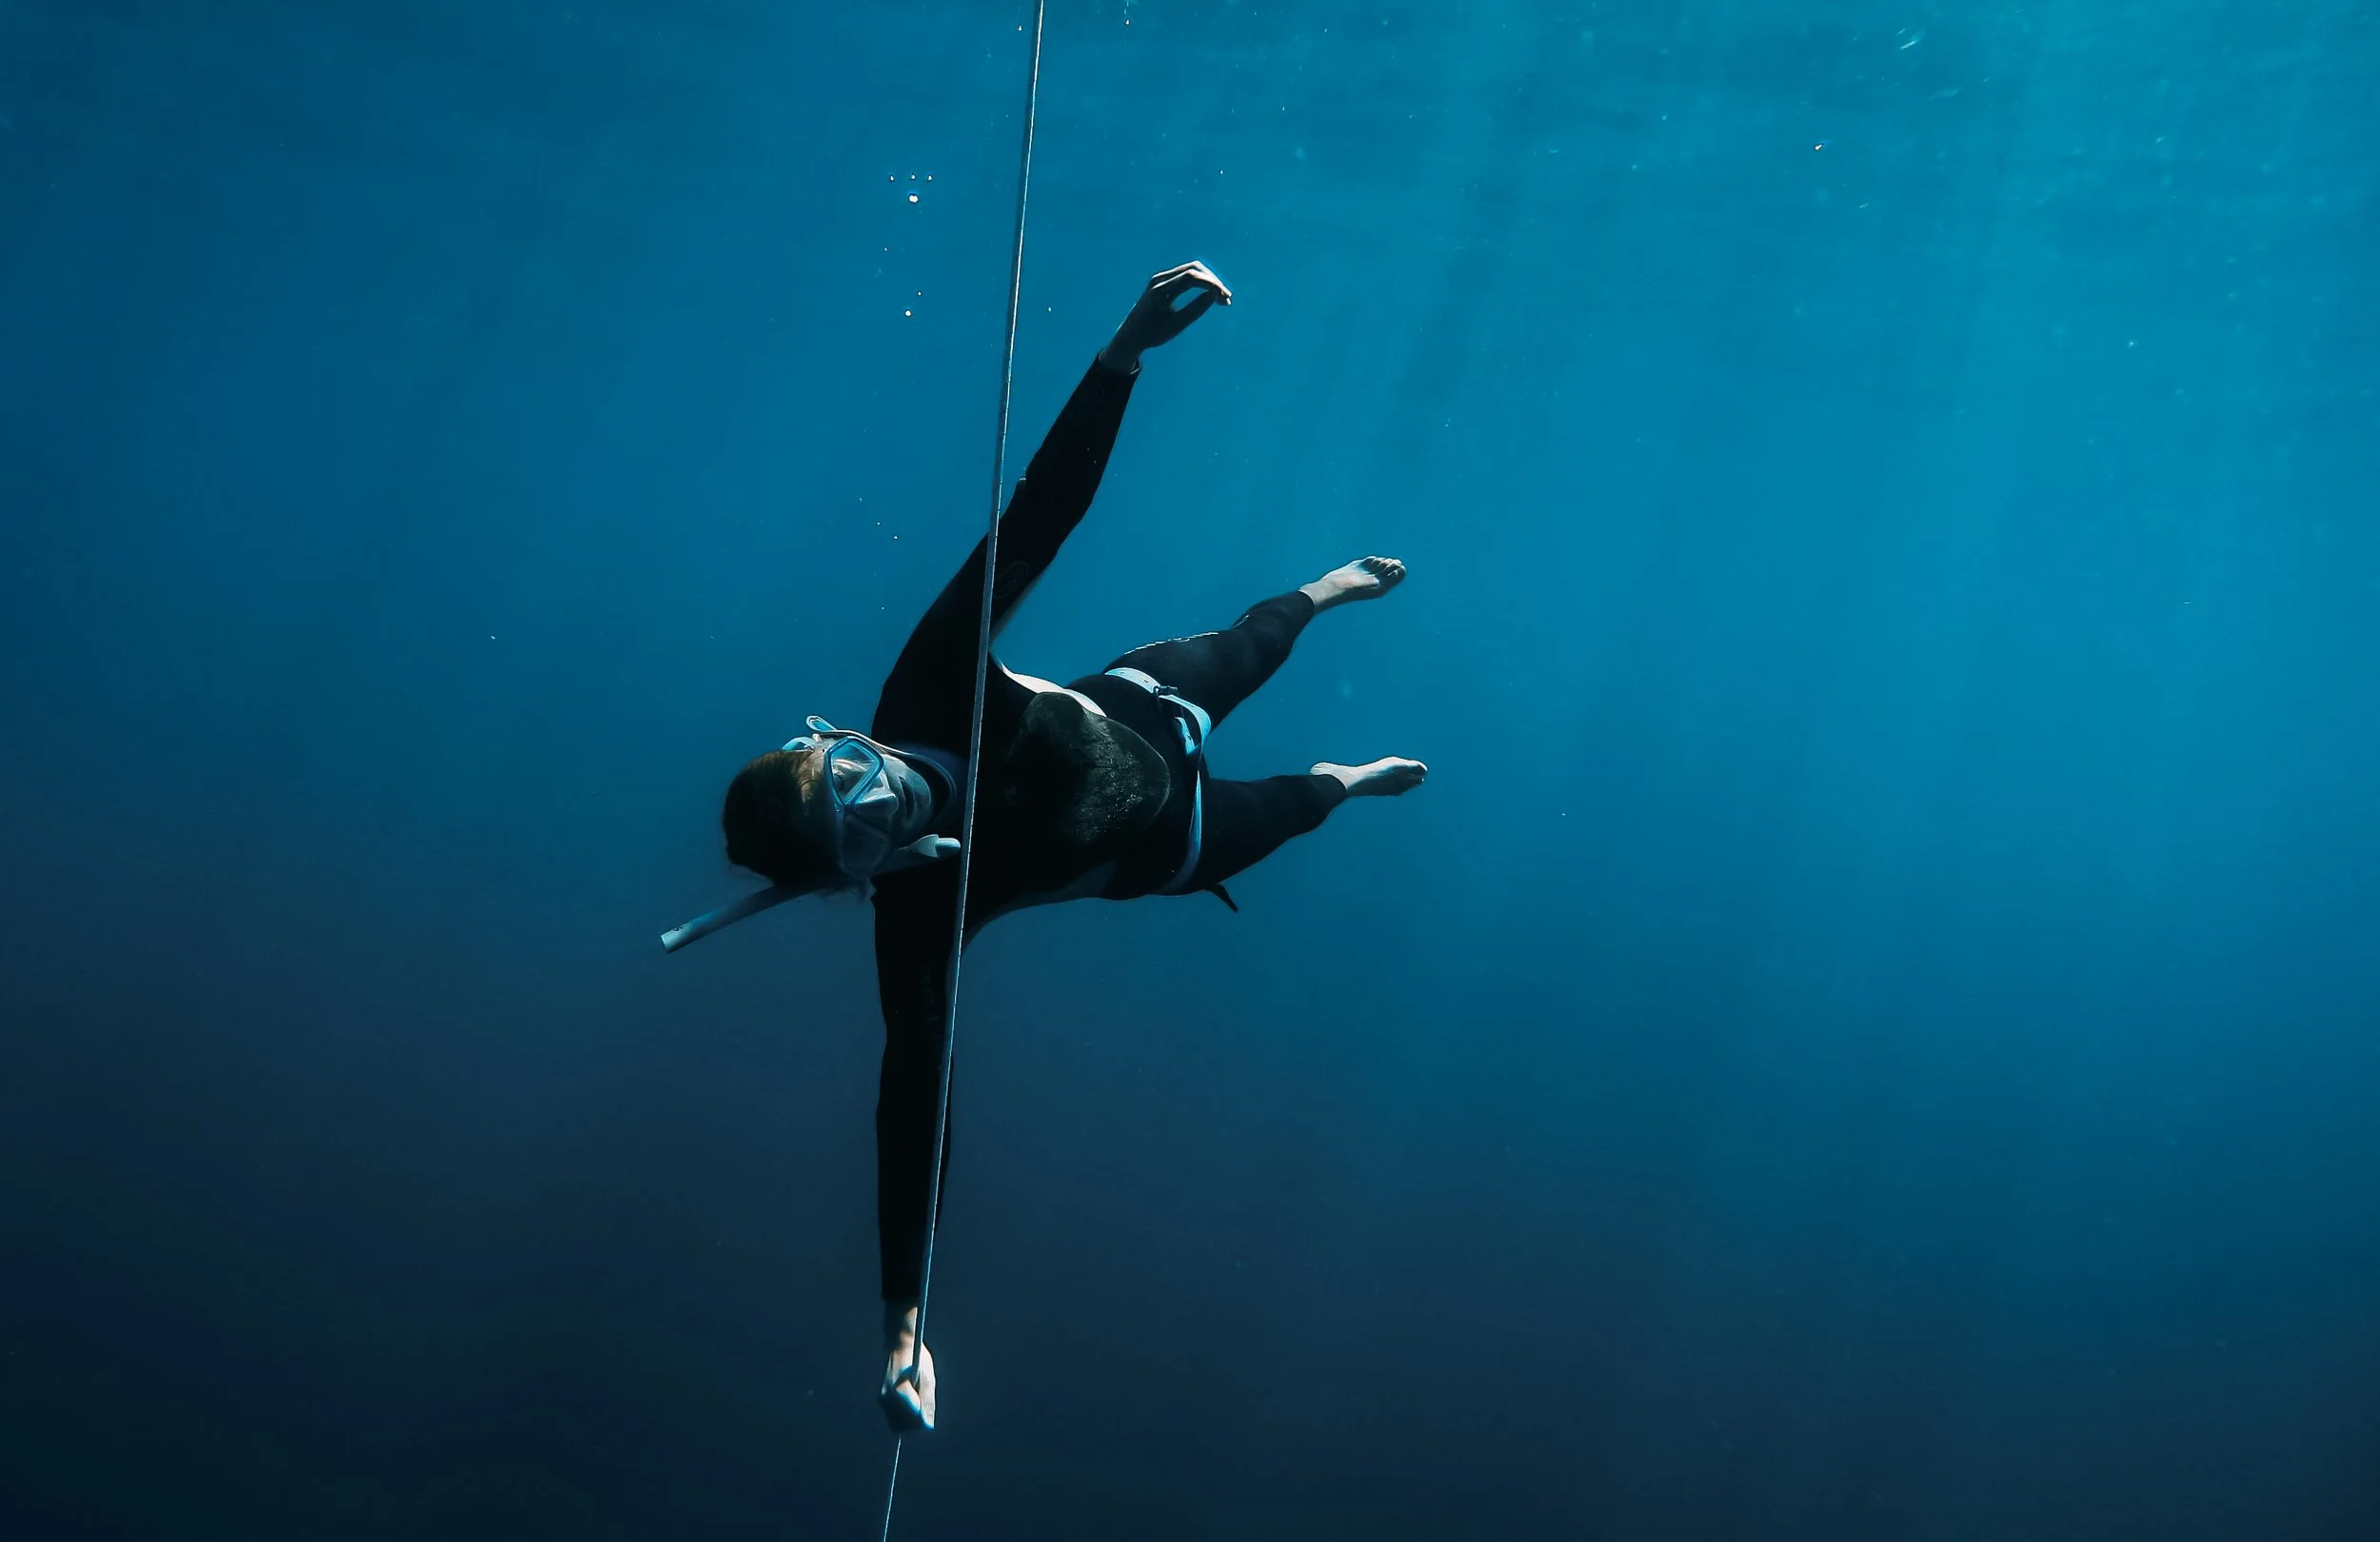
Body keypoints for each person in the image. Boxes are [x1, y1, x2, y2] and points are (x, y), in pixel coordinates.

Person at [715, 262, 1427, 1432]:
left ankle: (1323, 591)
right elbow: (912, 1106)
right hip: (1170, 845)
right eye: (856, 838)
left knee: (1255, 641)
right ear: (854, 882)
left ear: (841, 737)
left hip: (1138, 704)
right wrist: (904, 1323)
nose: (880, 800)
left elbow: (1037, 519)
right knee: (1297, 807)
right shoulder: (918, 920)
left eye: (850, 773)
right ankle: (1349, 781)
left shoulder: (928, 684)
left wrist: (1121, 355)